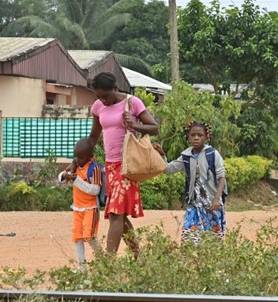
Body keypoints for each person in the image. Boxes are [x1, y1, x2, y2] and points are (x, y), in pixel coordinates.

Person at [84, 72, 159, 256]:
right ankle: (138, 255)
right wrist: (78, 160)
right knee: (120, 215)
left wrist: (134, 125)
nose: (103, 100)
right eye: (99, 97)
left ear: (115, 88)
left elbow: (154, 128)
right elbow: (93, 137)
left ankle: (109, 262)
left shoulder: (132, 103)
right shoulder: (97, 107)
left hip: (127, 165)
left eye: (106, 96)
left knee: (116, 213)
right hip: (110, 166)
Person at [153, 122, 227, 244]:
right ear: (188, 137)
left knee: (213, 238)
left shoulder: (212, 154)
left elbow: (221, 177)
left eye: (200, 135)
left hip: (212, 203)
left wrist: (217, 199)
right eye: (193, 135)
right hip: (194, 203)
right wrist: (162, 154)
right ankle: (190, 259)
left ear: (206, 137)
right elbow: (168, 169)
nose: (196, 138)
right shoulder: (186, 156)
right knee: (189, 235)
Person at [58, 138, 104, 270]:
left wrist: (76, 180)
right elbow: (60, 177)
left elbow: (95, 190)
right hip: (77, 208)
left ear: (90, 157)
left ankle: (104, 261)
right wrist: (65, 174)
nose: (77, 159)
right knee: (77, 238)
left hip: (91, 208)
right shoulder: (76, 164)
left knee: (89, 236)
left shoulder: (94, 168)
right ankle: (81, 267)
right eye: (76, 156)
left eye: (81, 157)